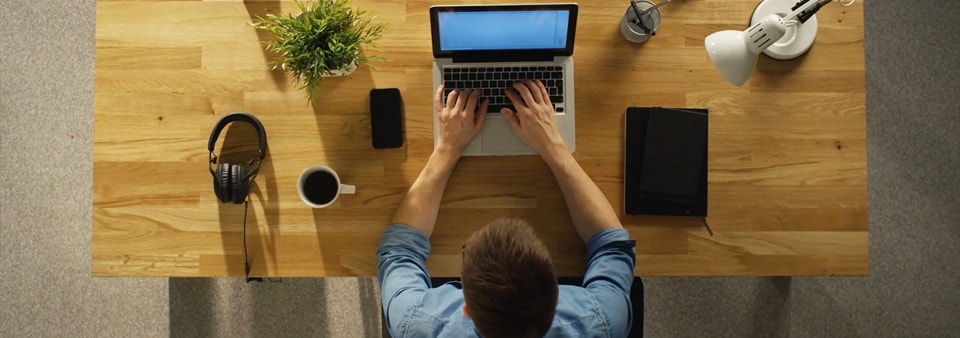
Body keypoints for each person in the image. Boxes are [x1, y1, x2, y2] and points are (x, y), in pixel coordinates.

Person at [377, 80, 637, 338]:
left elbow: (400, 250)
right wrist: (554, 147)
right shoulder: (600, 323)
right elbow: (612, 246)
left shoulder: (417, 323)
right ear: (556, 292)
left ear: (467, 310)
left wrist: (447, 148)